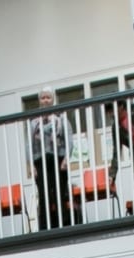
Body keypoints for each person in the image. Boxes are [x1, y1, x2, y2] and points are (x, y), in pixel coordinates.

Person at [29, 89, 78, 229]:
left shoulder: (61, 118)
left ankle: (63, 225)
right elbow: (29, 145)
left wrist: (66, 158)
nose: (45, 100)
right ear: (39, 100)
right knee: (43, 195)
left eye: (48, 97)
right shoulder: (34, 122)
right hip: (40, 161)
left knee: (59, 193)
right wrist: (31, 165)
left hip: (58, 159)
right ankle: (45, 227)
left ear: (53, 99)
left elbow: (69, 140)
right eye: (43, 97)